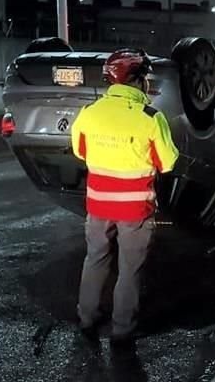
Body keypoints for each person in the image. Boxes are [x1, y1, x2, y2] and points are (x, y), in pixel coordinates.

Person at [70, 48, 179, 344]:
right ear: (137, 81)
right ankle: (122, 330)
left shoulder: (89, 113)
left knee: (95, 258)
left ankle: (86, 318)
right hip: (134, 208)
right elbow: (167, 162)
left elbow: (81, 150)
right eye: (145, 78)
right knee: (129, 269)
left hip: (98, 204)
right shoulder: (150, 118)